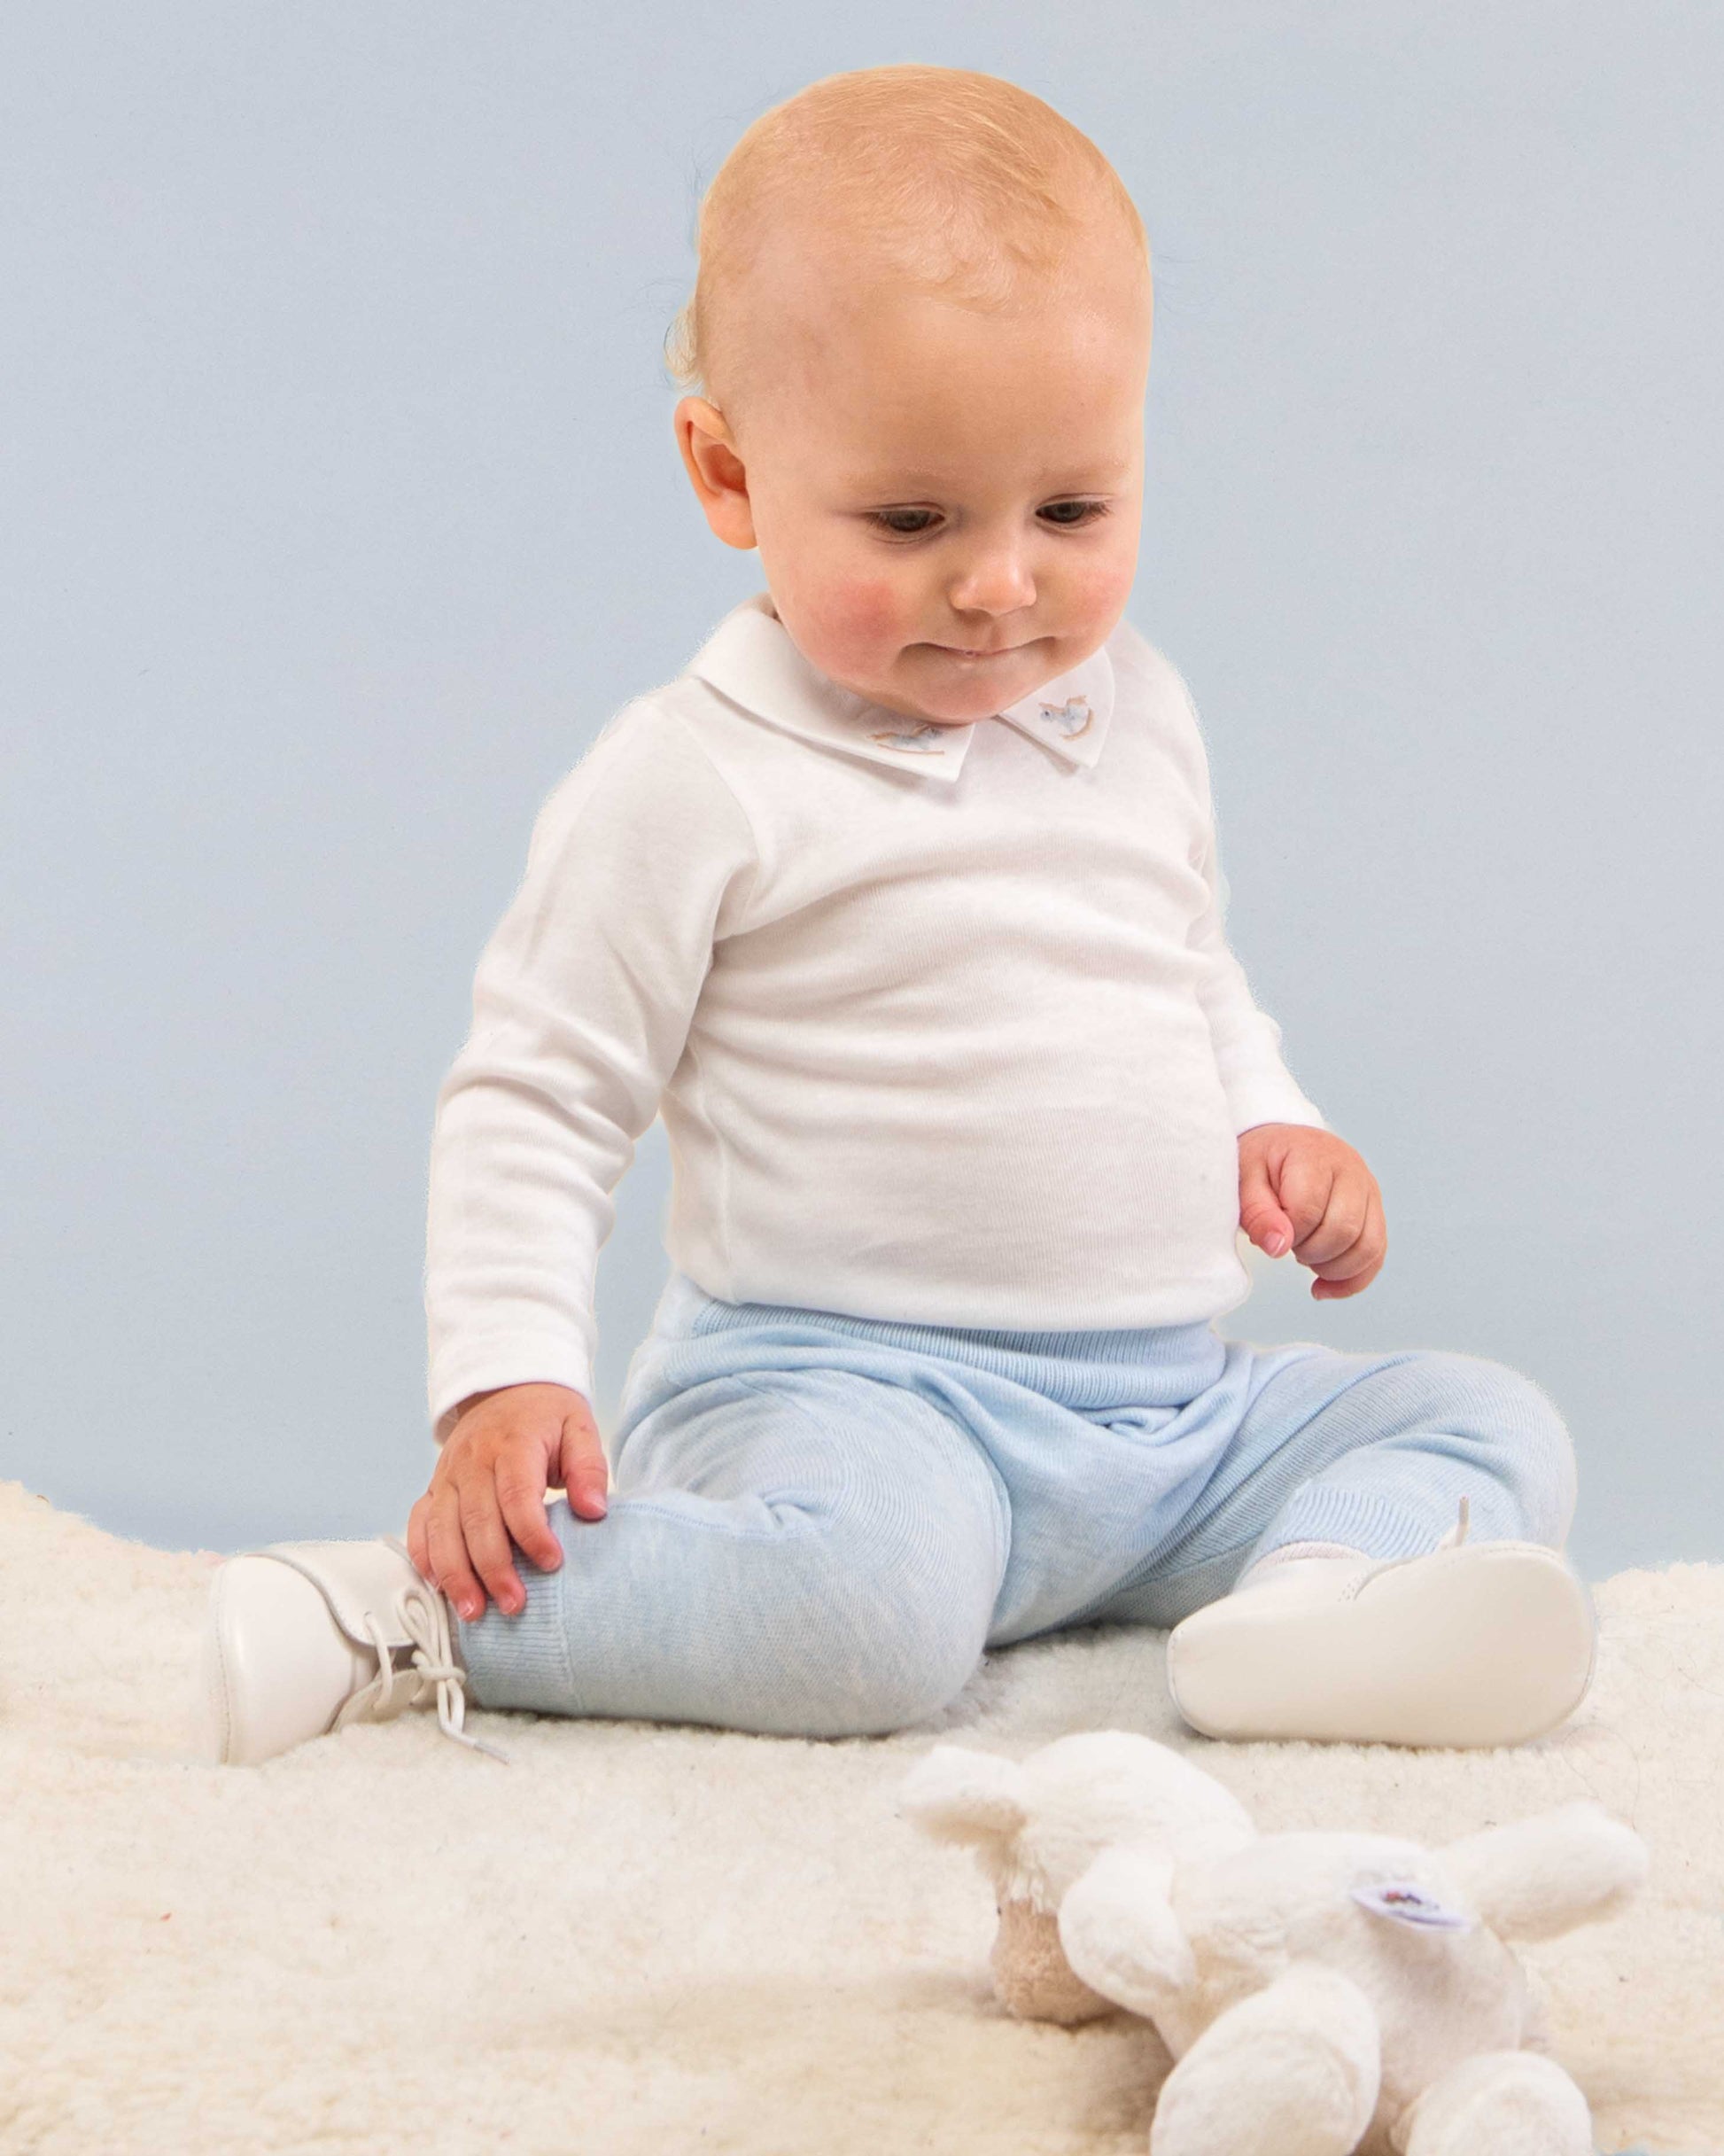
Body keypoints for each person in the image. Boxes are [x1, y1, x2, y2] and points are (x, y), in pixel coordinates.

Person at [201, 64, 1594, 1771]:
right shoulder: (698, 777)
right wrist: (502, 1375)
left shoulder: (1133, 710)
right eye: (912, 518)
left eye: (1070, 509)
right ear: (728, 472)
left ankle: (1300, 1613)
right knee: (867, 1625)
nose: (1003, 581)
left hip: (1171, 1416)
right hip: (849, 1395)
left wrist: (1275, 1115)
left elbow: (1185, 964)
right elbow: (539, 1088)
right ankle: (398, 1614)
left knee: (1484, 1419)